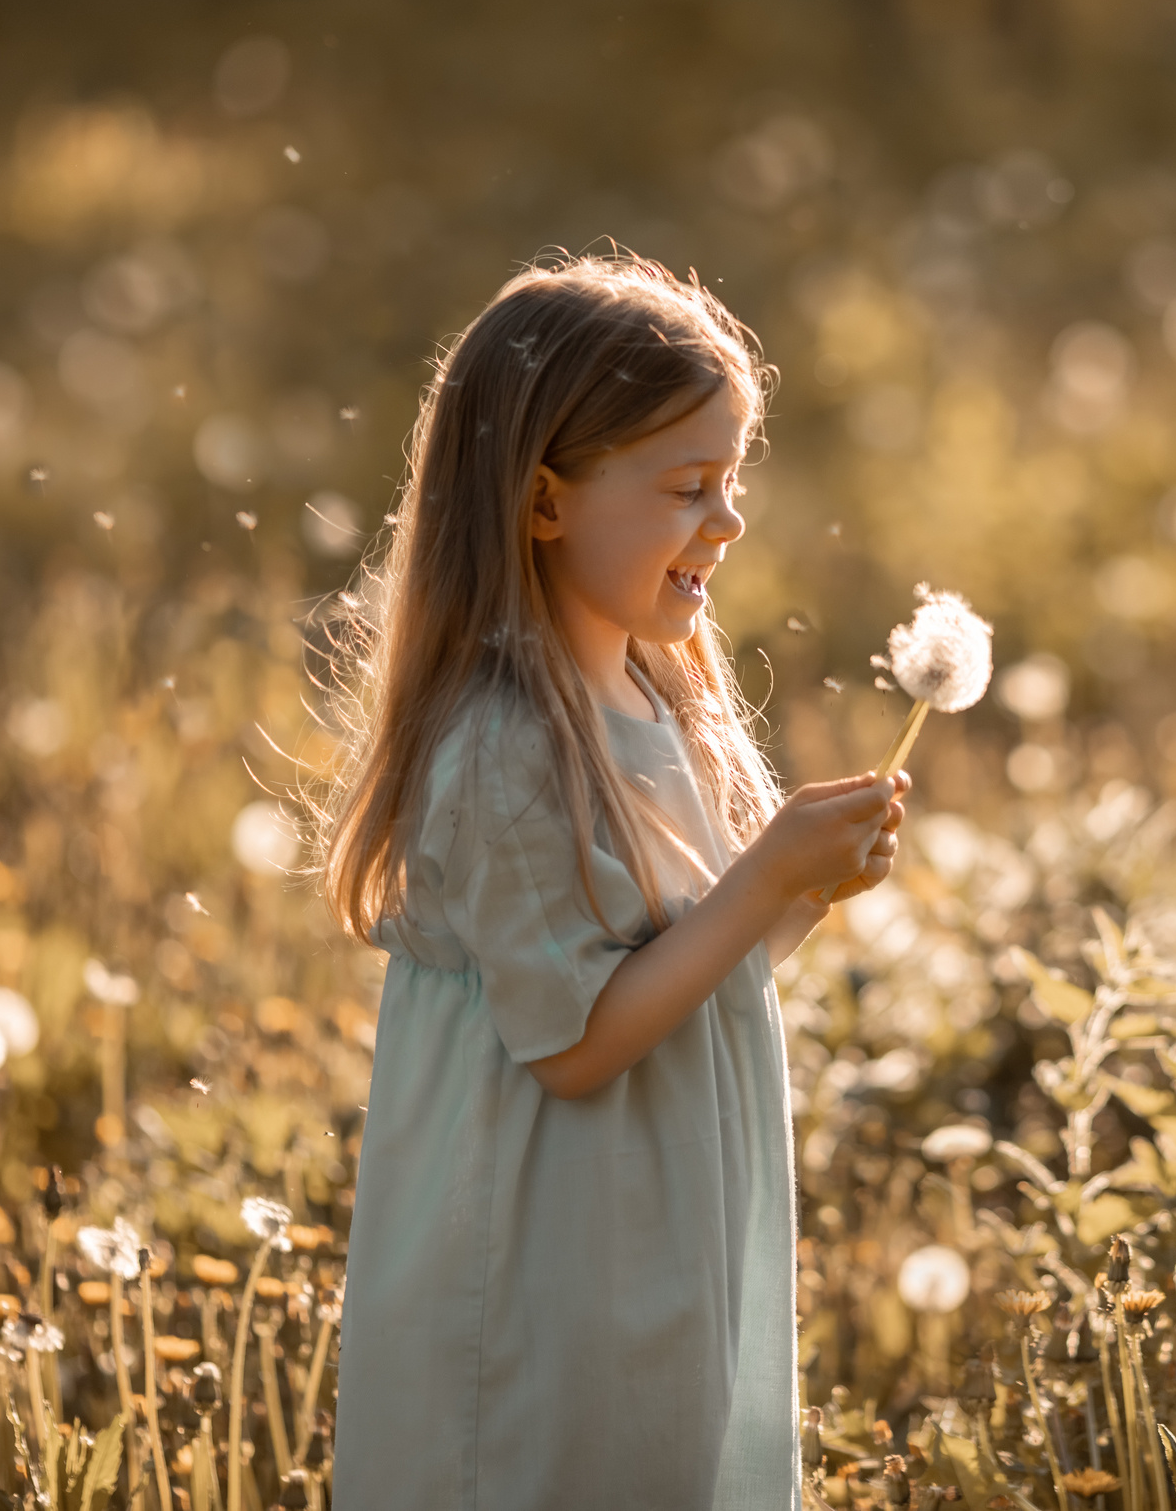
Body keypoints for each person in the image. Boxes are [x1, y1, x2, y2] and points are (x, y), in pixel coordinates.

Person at [318, 254, 906, 1509]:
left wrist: (800, 889)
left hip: (658, 1221)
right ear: (544, 502)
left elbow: (680, 964)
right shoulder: (504, 748)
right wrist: (763, 885)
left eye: (732, 483)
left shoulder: (654, 694)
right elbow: (576, 1045)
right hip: (547, 1255)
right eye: (689, 487)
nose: (729, 522)